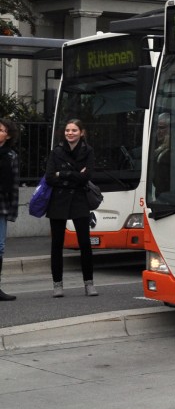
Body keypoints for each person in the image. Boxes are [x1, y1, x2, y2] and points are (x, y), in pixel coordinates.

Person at [45, 118, 97, 297]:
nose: (70, 133)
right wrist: (75, 174)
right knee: (56, 245)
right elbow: (50, 177)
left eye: (74, 130)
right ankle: (57, 284)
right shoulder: (56, 151)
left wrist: (63, 174)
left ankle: (89, 283)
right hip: (58, 201)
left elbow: (88, 175)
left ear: (81, 132)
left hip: (79, 200)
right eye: (67, 130)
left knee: (85, 243)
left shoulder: (88, 150)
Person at [0, 119, 19, 301]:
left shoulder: (11, 156)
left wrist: (13, 211)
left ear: (8, 135)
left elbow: (14, 185)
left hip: (2, 206)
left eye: (1, 130)